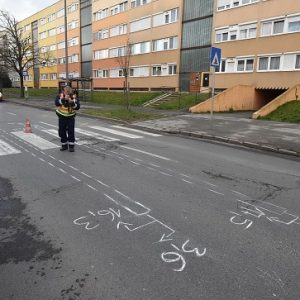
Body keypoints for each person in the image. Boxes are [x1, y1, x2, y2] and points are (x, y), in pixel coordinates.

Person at [55, 86, 80, 152]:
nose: (67, 93)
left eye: (69, 92)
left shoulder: (74, 97)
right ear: (63, 91)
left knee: (71, 131)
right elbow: (56, 103)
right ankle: (64, 145)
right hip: (62, 116)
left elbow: (77, 107)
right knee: (62, 131)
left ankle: (71, 146)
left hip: (71, 117)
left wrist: (72, 102)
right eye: (66, 91)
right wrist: (63, 99)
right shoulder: (60, 96)